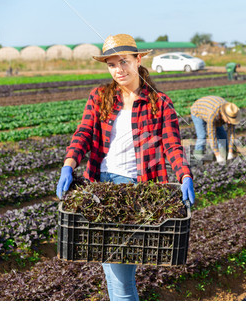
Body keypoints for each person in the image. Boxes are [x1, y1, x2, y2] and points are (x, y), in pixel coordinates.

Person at [55, 34, 195, 301]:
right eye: (111, 64)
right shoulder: (100, 96)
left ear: (138, 60)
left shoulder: (159, 103)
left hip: (134, 189)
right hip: (99, 185)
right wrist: (68, 164)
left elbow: (172, 146)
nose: (119, 69)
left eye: (124, 61)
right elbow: (83, 133)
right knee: (112, 268)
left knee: (119, 275)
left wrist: (185, 175)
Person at [190, 96, 240, 163]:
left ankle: (225, 155)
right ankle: (197, 159)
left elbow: (231, 134)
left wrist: (230, 152)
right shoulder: (213, 115)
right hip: (198, 111)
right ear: (223, 115)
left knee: (222, 135)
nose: (229, 122)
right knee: (202, 136)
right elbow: (212, 136)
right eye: (228, 120)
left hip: (211, 111)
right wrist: (217, 155)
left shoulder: (231, 112)